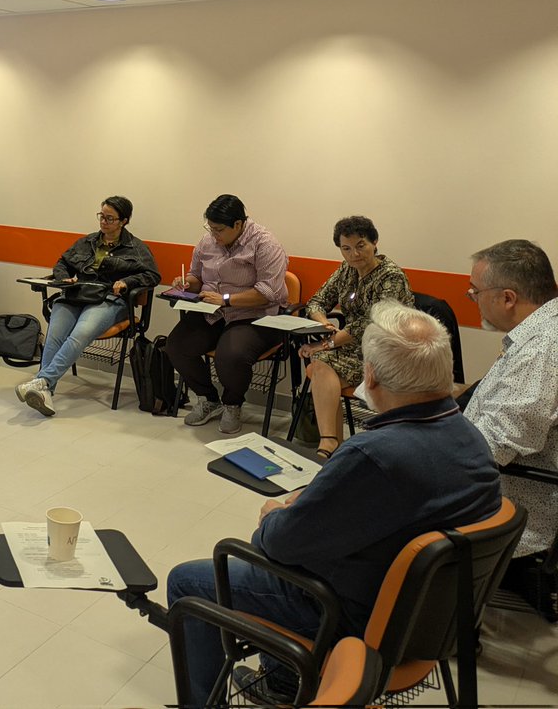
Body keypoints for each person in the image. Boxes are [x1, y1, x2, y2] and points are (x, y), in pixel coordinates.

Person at [166, 301, 501, 707]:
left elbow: (283, 544)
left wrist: (276, 516)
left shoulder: (373, 455)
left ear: (371, 376)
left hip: (351, 616)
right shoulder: (470, 437)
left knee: (192, 579)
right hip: (428, 621)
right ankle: (283, 682)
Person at [463, 239, 558, 616]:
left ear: (507, 297)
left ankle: (431, 628)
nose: (472, 299)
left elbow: (490, 449)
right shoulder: (542, 331)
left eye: (475, 292)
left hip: (514, 501)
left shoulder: (542, 351)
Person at [15, 196, 161, 416]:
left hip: (109, 300)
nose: (104, 222)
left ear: (124, 221)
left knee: (80, 333)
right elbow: (62, 263)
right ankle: (46, 391)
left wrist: (127, 282)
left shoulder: (136, 247)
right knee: (55, 334)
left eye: (110, 218)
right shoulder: (87, 242)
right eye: (102, 216)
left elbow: (152, 275)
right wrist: (65, 278)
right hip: (76, 295)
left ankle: (42, 381)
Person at [163, 195, 288, 435]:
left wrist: (226, 300)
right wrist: (186, 283)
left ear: (238, 225)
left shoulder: (266, 244)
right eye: (210, 228)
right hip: (213, 311)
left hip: (254, 315)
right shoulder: (207, 242)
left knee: (230, 355)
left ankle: (233, 404)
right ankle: (209, 399)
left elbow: (268, 292)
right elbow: (197, 277)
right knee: (177, 346)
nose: (214, 235)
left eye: (219, 230)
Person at [297, 216, 413, 459]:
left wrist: (326, 343)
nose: (354, 254)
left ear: (374, 242)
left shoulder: (390, 276)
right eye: (346, 249)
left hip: (387, 351)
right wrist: (323, 322)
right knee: (320, 367)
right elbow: (317, 300)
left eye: (361, 245)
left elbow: (370, 322)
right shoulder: (346, 270)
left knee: (322, 363)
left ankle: (330, 447)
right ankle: (331, 444)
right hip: (352, 348)